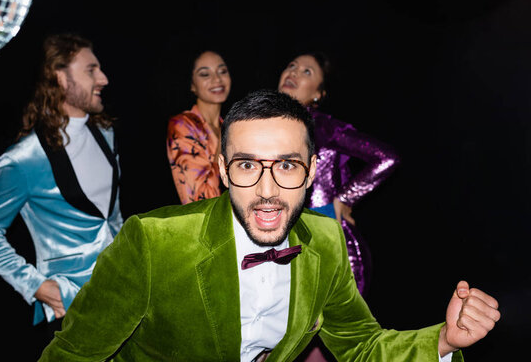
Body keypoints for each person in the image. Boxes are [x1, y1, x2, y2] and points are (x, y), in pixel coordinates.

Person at [39, 90, 499, 362]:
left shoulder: (325, 242)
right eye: (246, 165)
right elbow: (74, 356)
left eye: (287, 165)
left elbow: (361, 346)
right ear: (221, 170)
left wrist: (441, 340)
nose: (266, 190)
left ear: (312, 170)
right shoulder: (151, 241)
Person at [0, 34, 123, 337]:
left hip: (123, 293)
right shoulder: (24, 159)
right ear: (60, 77)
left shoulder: (106, 134)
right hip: (72, 308)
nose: (103, 78)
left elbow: (111, 215)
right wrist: (35, 285)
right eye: (91, 70)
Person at [279, 52, 400, 297]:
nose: (294, 72)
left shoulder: (321, 126)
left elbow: (387, 158)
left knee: (344, 333)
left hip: (331, 246)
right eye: (291, 66)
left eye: (307, 72)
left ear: (318, 93)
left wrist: (344, 198)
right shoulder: (270, 131)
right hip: (289, 244)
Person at [166, 50, 231, 204]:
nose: (217, 79)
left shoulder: (229, 125)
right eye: (205, 74)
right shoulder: (182, 124)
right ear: (192, 85)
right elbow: (200, 198)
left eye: (222, 71)